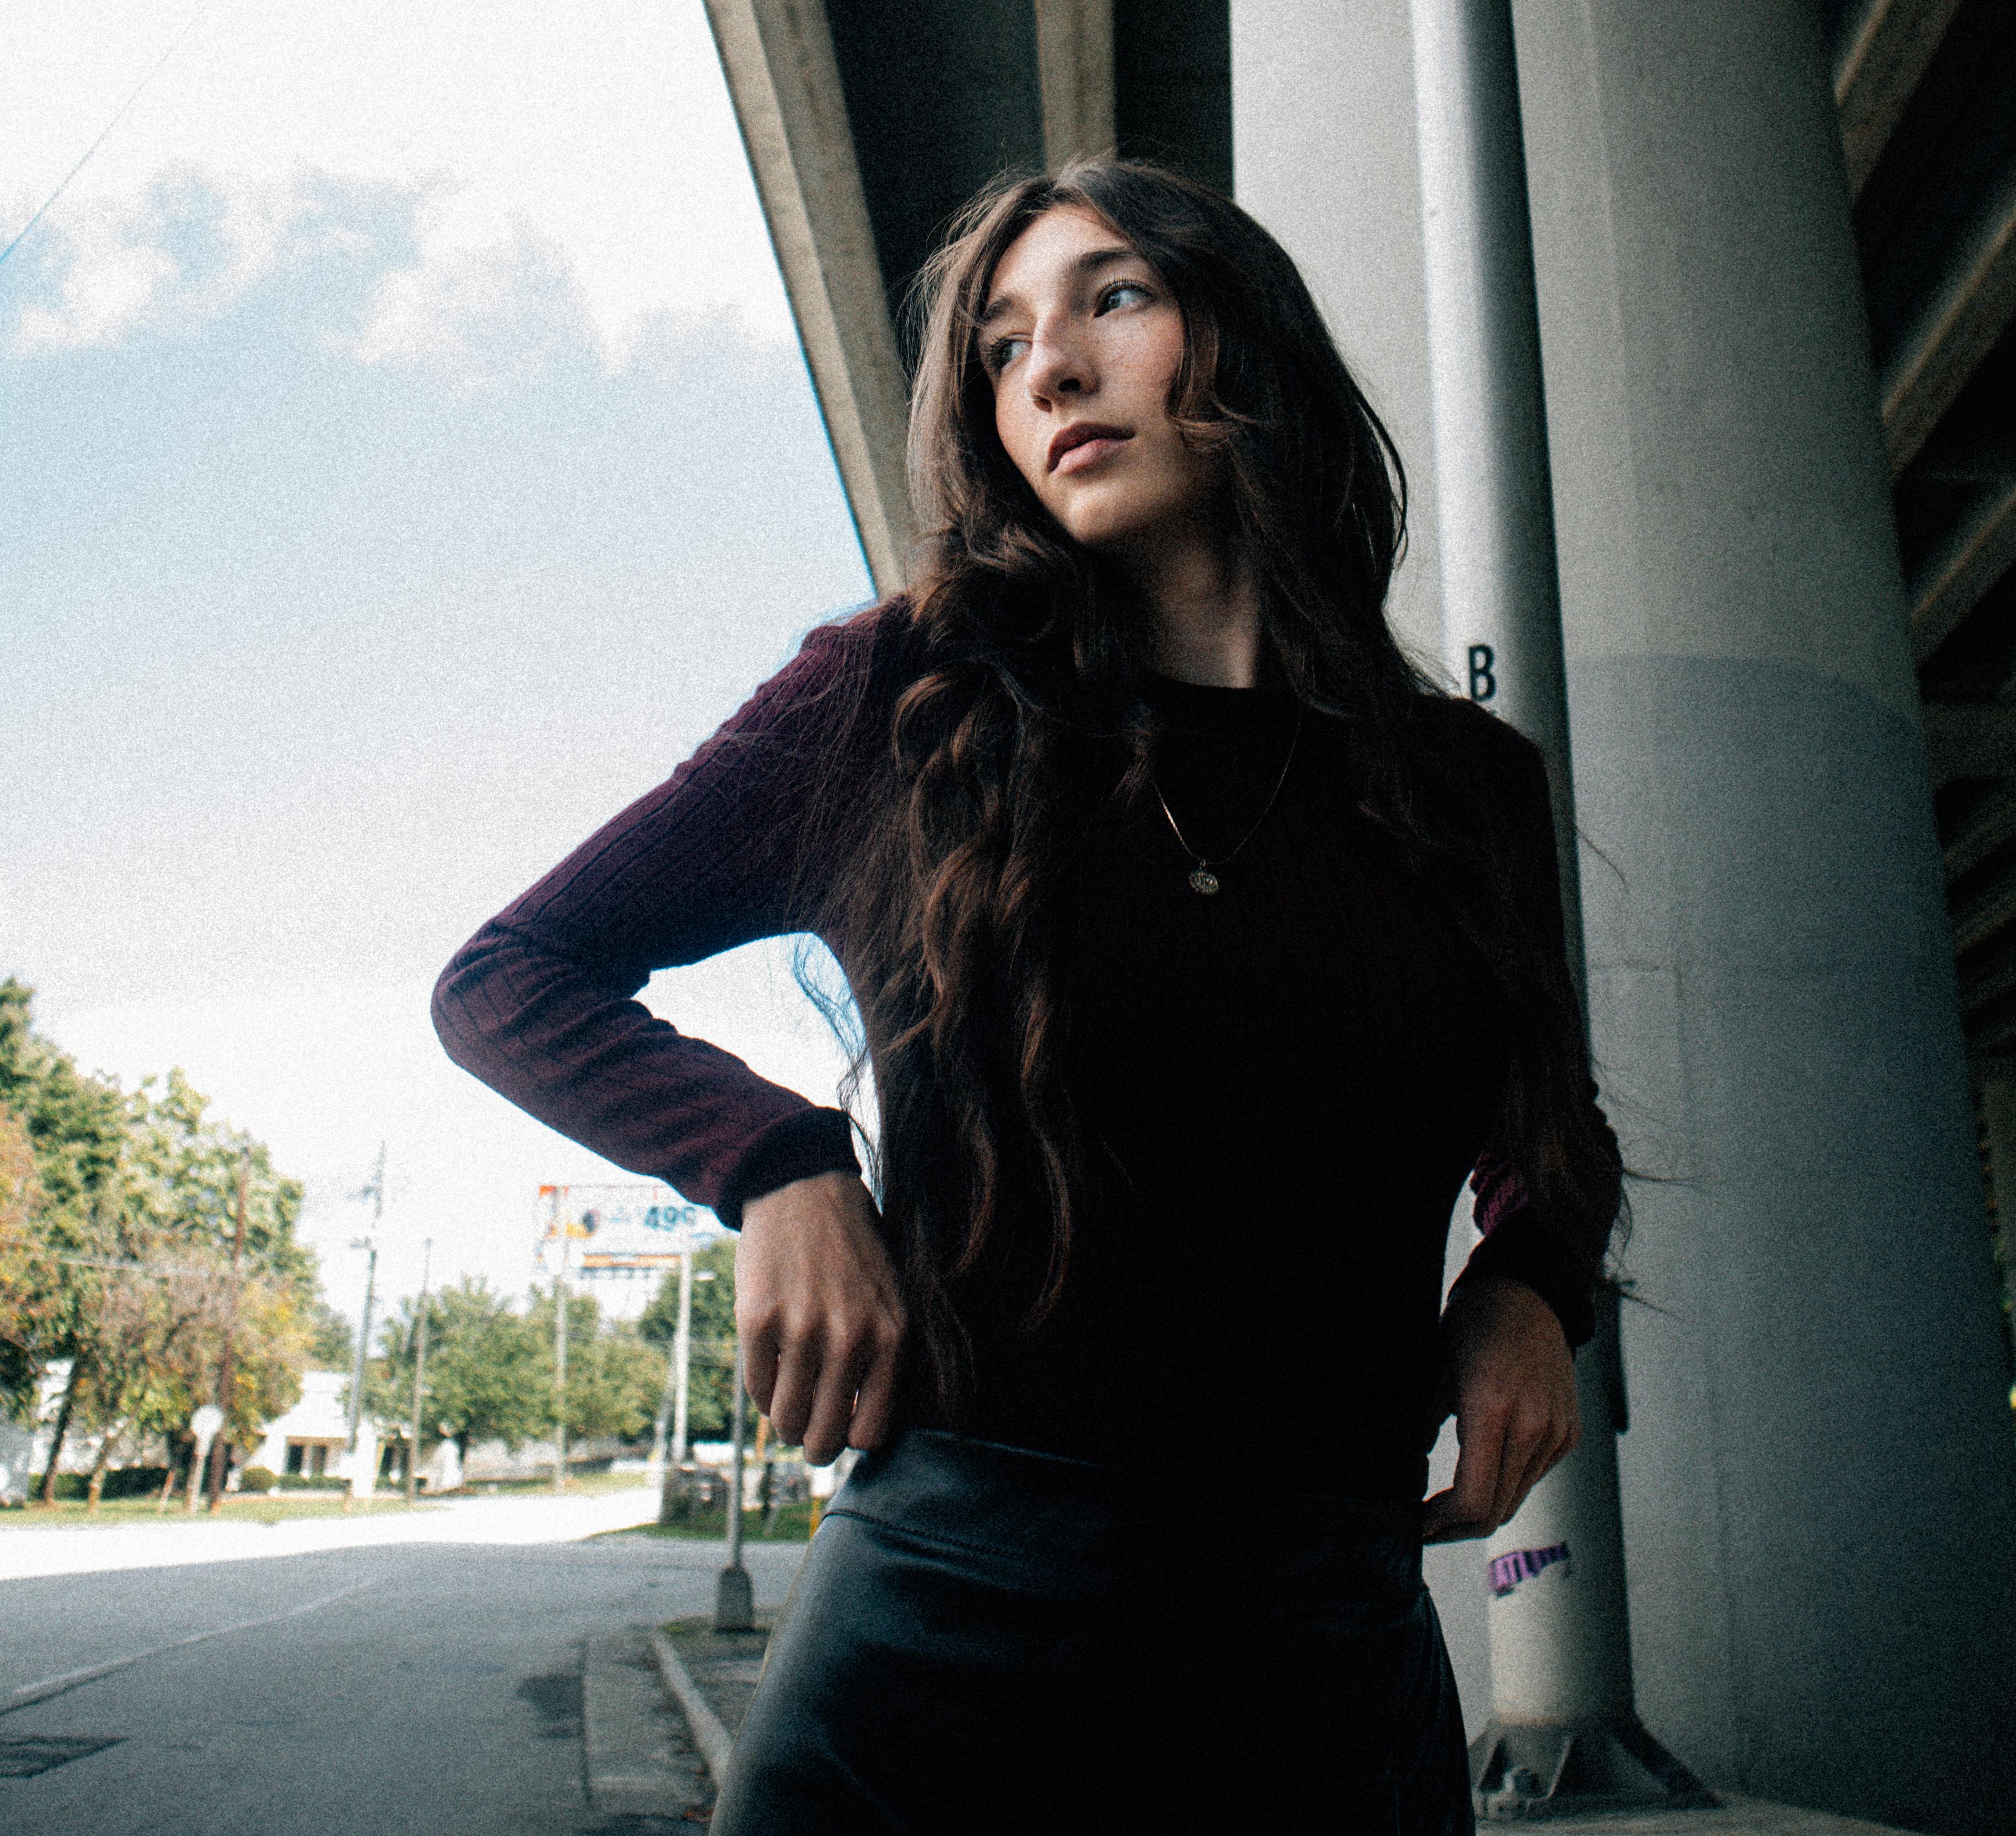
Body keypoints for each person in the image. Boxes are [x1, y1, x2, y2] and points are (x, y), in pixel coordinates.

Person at [433, 159, 1622, 1835]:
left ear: (1248, 337)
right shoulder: (897, 701)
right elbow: (507, 976)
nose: (1049, 368)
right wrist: (777, 1160)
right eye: (1001, 347)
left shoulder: (1467, 788)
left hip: (1322, 1657)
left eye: (1111, 298)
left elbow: (1551, 1125)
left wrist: (1529, 1282)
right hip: (944, 1626)